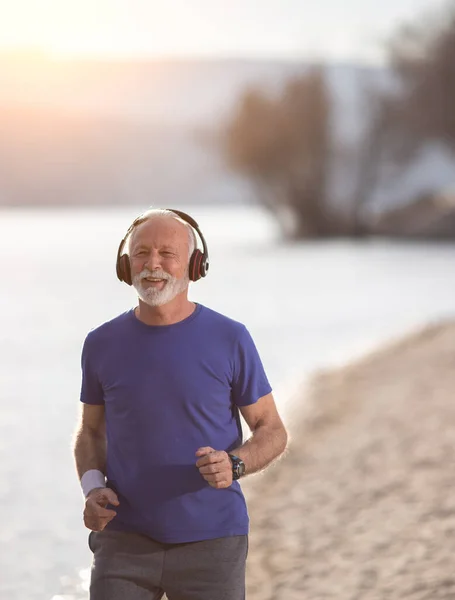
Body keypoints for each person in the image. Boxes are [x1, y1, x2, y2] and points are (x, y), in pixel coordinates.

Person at [73, 208, 288, 600]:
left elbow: (271, 429)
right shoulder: (100, 343)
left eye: (166, 253)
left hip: (212, 544)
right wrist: (91, 489)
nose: (152, 264)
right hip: (123, 543)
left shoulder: (230, 338)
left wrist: (235, 464)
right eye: (141, 253)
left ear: (194, 264)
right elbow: (90, 430)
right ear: (125, 264)